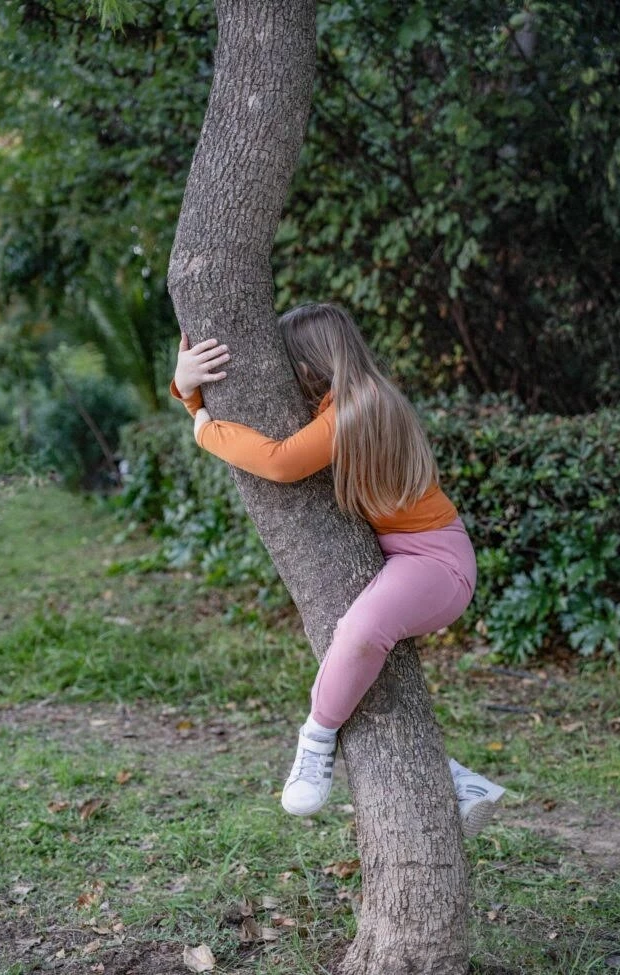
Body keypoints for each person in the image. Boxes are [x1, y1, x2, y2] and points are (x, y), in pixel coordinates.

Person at [170, 302, 505, 836]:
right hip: (404, 555)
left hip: (435, 561)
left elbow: (279, 461)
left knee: (360, 631)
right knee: (366, 663)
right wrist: (187, 389)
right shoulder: (338, 404)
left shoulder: (363, 404)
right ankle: (457, 780)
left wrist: (202, 424)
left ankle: (315, 740)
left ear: (311, 363)